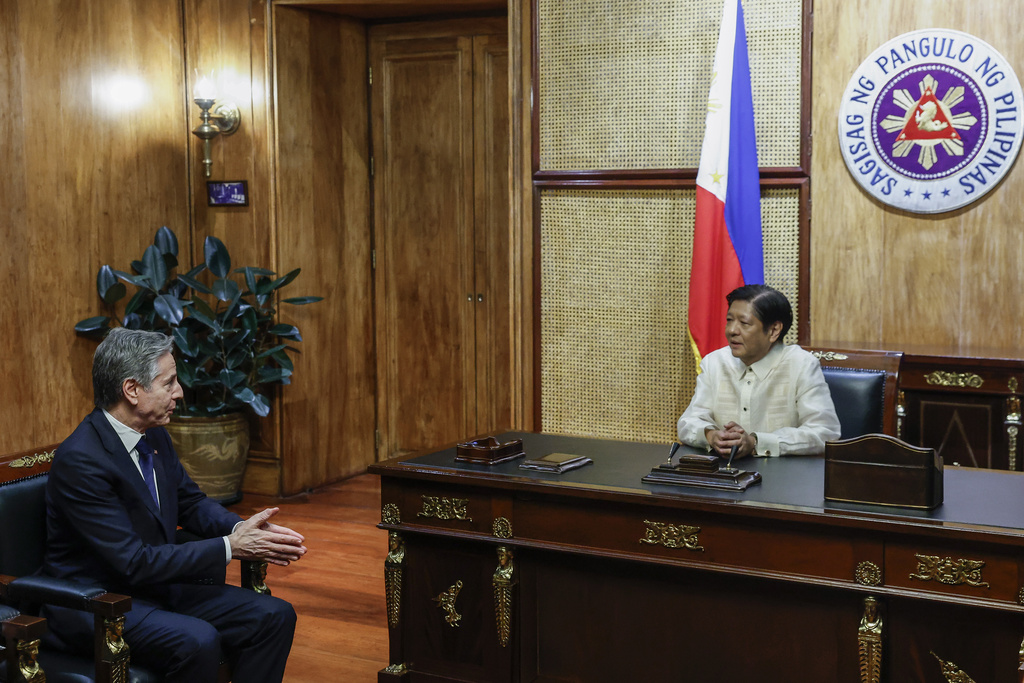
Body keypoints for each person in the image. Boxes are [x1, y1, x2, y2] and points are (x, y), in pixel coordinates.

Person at [42, 328, 306, 682]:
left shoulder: (154, 435)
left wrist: (240, 529)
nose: (179, 392)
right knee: (198, 640)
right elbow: (132, 562)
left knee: (274, 616)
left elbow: (191, 503)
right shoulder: (82, 460)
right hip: (99, 602)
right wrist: (231, 547)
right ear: (132, 390)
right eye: (169, 383)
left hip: (154, 586)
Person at [677, 284, 840, 458]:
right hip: (724, 471)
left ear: (774, 330)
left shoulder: (801, 365)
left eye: (744, 323)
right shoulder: (715, 362)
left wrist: (756, 443)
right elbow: (688, 422)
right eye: (729, 320)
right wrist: (711, 435)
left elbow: (825, 432)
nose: (731, 330)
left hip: (782, 472)